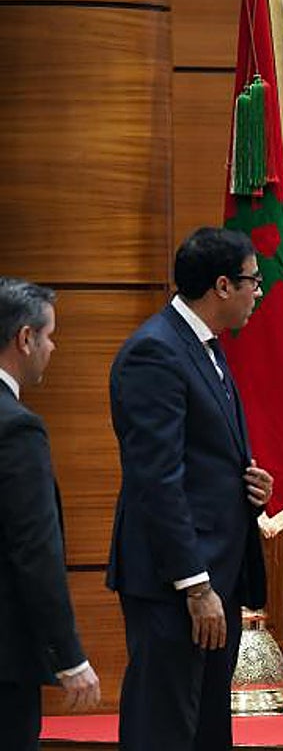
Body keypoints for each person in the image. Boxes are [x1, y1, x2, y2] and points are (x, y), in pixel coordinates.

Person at [107, 227, 274, 750]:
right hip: (174, 583)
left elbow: (199, 457)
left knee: (203, 729)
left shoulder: (205, 347)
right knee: (164, 726)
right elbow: (155, 479)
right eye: (253, 280)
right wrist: (194, 586)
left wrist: (247, 484)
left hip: (212, 574)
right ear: (222, 285)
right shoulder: (154, 353)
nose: (259, 292)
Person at [0, 278, 101, 749]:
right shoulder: (17, 428)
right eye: (50, 335)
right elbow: (34, 549)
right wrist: (69, 656)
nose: (53, 346)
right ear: (25, 338)